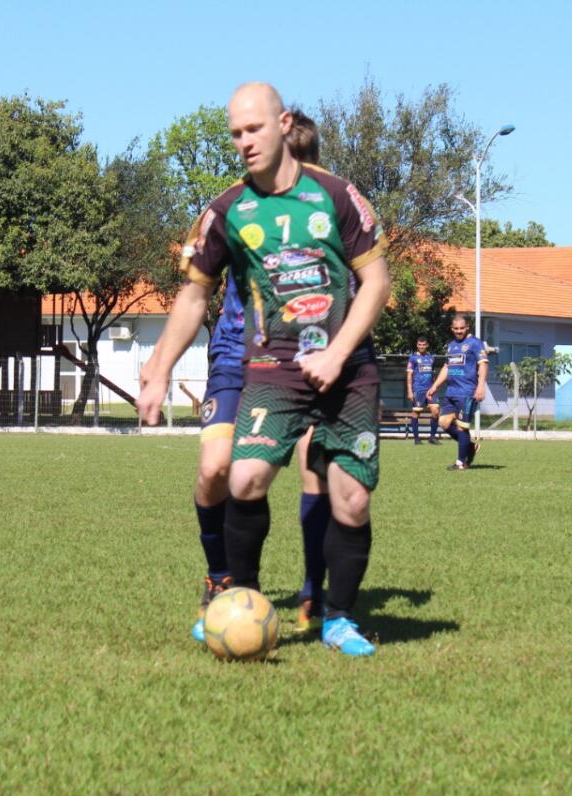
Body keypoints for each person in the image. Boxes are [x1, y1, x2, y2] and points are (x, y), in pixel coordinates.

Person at [138, 82, 390, 656]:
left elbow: (377, 283)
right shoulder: (227, 210)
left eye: (253, 129)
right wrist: (159, 365)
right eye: (236, 133)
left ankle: (337, 618)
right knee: (243, 477)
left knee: (351, 498)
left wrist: (337, 353)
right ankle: (241, 600)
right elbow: (194, 295)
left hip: (348, 368)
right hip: (272, 367)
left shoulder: (337, 196)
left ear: (283, 124)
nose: (245, 142)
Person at [165, 108, 331, 643]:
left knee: (316, 464)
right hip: (236, 352)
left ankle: (314, 588)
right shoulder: (232, 207)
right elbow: (195, 279)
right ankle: (221, 577)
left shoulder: (326, 210)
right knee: (216, 468)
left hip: (304, 358)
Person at [426, 315, 488, 470]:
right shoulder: (451, 345)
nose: (459, 331)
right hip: (451, 392)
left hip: (466, 392)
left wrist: (481, 386)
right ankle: (470, 447)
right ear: (451, 329)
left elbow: (483, 364)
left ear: (467, 327)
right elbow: (447, 367)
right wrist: (435, 386)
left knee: (461, 428)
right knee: (444, 422)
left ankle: (461, 462)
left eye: (462, 328)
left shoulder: (475, 343)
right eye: (456, 328)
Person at [406, 337, 440, 445]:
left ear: (427, 345)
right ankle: (416, 439)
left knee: (436, 411)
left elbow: (433, 374)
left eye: (423, 344)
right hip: (418, 389)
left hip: (430, 390)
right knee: (416, 413)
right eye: (419, 344)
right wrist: (410, 391)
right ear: (417, 345)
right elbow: (409, 375)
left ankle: (432, 437)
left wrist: (435, 386)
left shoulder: (431, 358)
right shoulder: (413, 358)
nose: (421, 346)